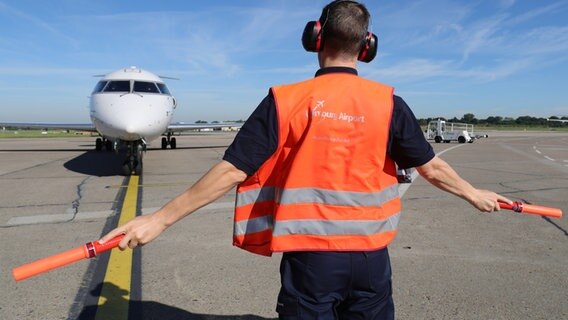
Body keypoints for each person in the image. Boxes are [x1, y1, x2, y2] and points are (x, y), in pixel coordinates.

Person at [100, 1, 511, 319]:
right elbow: (432, 167)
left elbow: (231, 171)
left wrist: (159, 219)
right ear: (367, 48)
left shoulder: (285, 100)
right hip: (373, 260)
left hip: (312, 261)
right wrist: (474, 194)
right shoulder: (390, 103)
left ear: (316, 39)